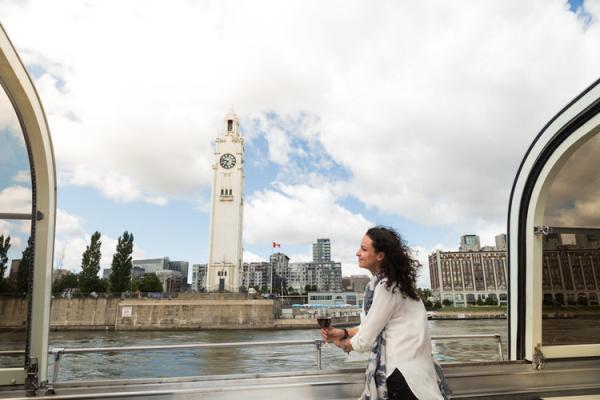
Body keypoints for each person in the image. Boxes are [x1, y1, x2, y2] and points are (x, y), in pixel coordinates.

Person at [322, 226, 444, 400]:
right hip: (419, 375)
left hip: (402, 377)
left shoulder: (386, 287)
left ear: (380, 255)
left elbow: (365, 340)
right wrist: (343, 333)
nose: (357, 253)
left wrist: (342, 343)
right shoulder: (398, 284)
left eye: (364, 249)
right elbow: (372, 325)